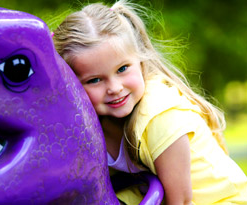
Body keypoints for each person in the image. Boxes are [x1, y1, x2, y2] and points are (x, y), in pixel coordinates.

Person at [52, 0, 247, 204]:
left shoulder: (161, 116)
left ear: (140, 60)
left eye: (122, 69)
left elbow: (180, 201)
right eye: (95, 80)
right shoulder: (87, 123)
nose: (115, 87)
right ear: (71, 85)